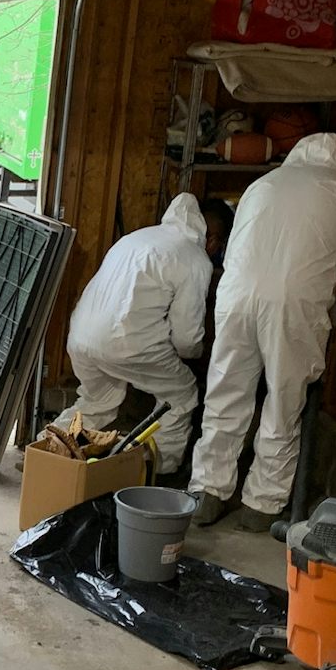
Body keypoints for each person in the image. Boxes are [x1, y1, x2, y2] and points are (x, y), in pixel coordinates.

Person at [188, 132, 336, 530]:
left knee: (226, 392)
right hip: (296, 306)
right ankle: (261, 504)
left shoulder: (263, 183)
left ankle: (206, 492)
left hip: (236, 295)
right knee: (283, 402)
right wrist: (334, 317)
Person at [57, 190, 233, 479]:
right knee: (182, 395)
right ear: (213, 240)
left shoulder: (137, 238)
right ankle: (158, 471)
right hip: (125, 344)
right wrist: (199, 358)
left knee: (97, 400)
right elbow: (187, 338)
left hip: (81, 336)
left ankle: (50, 451)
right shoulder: (195, 259)